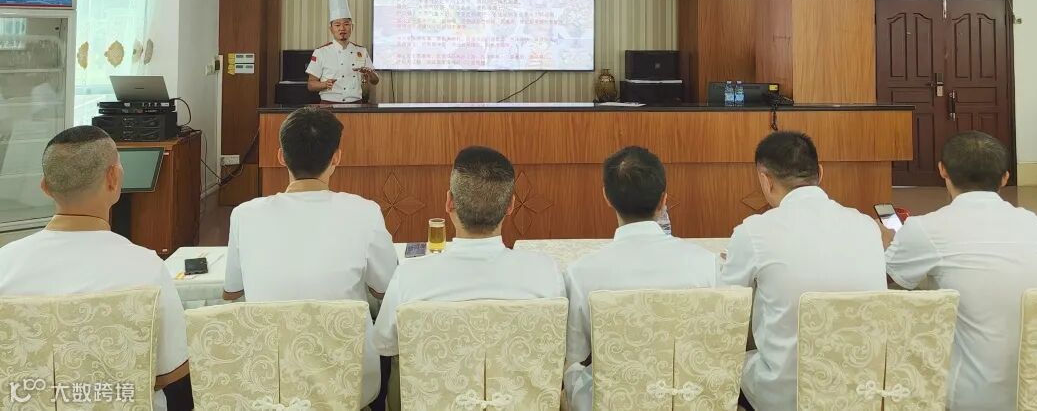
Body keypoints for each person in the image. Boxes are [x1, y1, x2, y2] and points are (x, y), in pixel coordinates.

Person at [0, 127, 188, 410]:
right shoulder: (146, 267)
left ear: (45, 187)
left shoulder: (4, 264)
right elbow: (170, 372)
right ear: (113, 178)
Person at [223, 107, 398, 408]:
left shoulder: (244, 215)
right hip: (348, 387)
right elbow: (387, 289)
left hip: (271, 386)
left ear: (281, 157)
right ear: (337, 158)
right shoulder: (364, 212)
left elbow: (232, 292)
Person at [720, 131, 886, 411]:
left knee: (730, 360)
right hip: (860, 388)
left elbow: (726, 308)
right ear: (820, 172)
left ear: (765, 180)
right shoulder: (867, 226)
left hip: (787, 396)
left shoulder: (754, 231)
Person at [884, 131, 1037, 411]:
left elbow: (888, 278)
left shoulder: (925, 228)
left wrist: (890, 240)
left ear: (942, 170)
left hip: (970, 395)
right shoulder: (1034, 224)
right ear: (1005, 178)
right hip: (1033, 392)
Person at [563, 146, 718, 411]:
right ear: (663, 200)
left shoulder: (580, 273)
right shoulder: (707, 265)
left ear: (606, 197)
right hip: (687, 399)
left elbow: (574, 354)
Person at [373, 146, 565, 356]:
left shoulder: (408, 278)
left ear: (449, 203)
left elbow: (384, 345)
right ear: (510, 206)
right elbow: (560, 345)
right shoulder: (546, 274)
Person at [307, 0, 379, 103]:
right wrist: (324, 84)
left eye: (346, 24)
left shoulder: (361, 51)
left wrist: (370, 73)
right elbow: (311, 84)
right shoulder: (321, 52)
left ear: (352, 27)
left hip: (355, 104)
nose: (342, 28)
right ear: (331, 29)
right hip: (328, 105)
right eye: (337, 25)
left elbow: (375, 81)